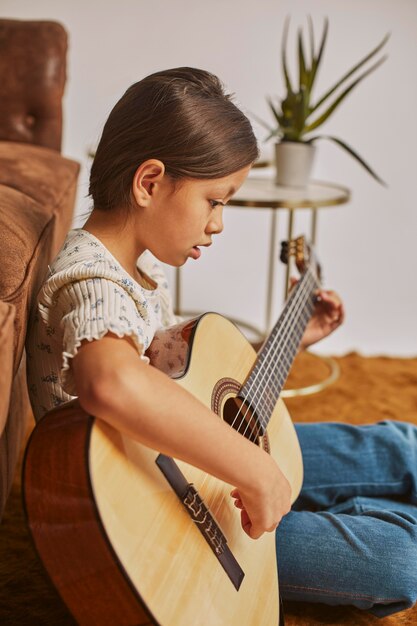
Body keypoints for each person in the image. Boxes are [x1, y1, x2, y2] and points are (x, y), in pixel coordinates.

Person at [27, 67, 417, 619]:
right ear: (149, 182)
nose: (219, 223)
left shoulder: (136, 271)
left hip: (190, 465)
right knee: (400, 559)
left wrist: (290, 340)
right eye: (215, 200)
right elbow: (112, 382)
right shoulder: (91, 279)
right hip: (167, 518)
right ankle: (345, 508)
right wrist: (255, 471)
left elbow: (184, 379)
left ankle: (337, 502)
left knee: (402, 446)